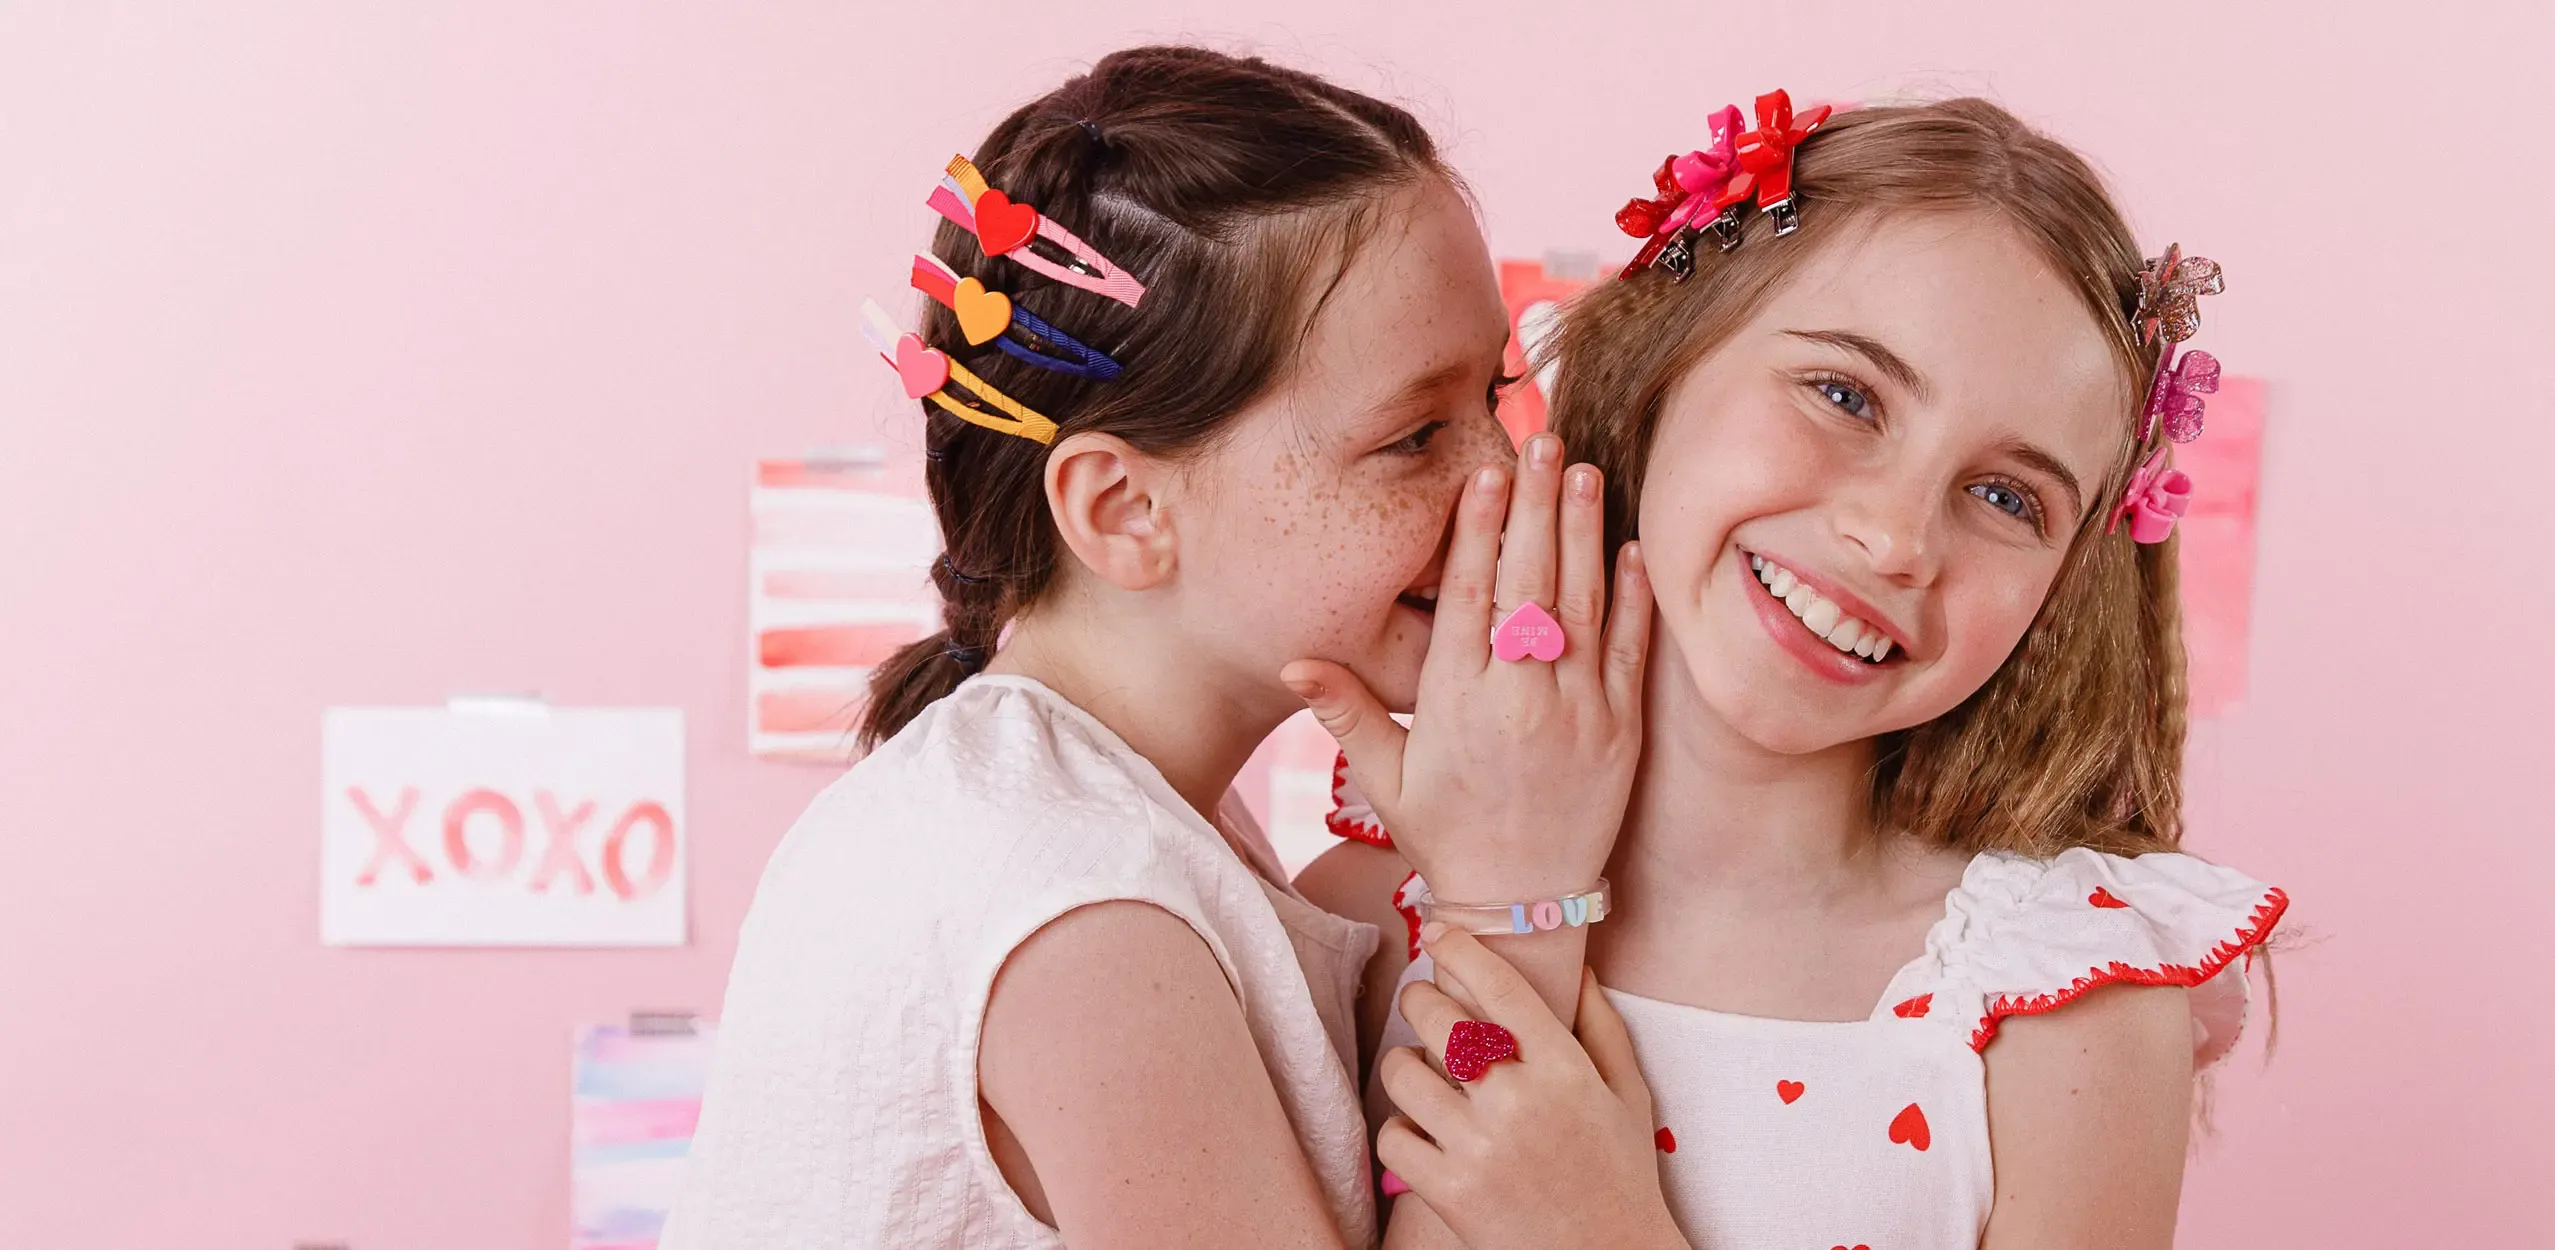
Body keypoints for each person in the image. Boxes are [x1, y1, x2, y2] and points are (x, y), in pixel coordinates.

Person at [667, 46, 1668, 1249]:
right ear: (1124, 511)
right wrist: (1517, 903)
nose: (1505, 477)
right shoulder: (1079, 912)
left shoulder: (1083, 820)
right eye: (1414, 436)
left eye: (1499, 392)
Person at [1297, 93, 2289, 1250]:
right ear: (1663, 366)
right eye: (1845, 394)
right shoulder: (1363, 919)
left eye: (2009, 497)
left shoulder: (2066, 1007)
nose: (1898, 537)